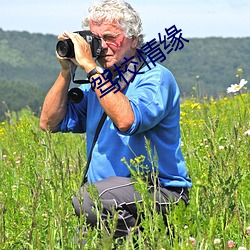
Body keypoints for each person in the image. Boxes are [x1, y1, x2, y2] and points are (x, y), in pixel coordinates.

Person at [40, 0, 192, 244]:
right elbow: (49, 123)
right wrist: (66, 70)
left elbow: (126, 120)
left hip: (160, 192)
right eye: (95, 39)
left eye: (111, 37)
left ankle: (146, 241)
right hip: (109, 199)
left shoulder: (155, 77)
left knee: (88, 200)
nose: (102, 46)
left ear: (133, 39)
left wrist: (90, 67)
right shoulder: (98, 85)